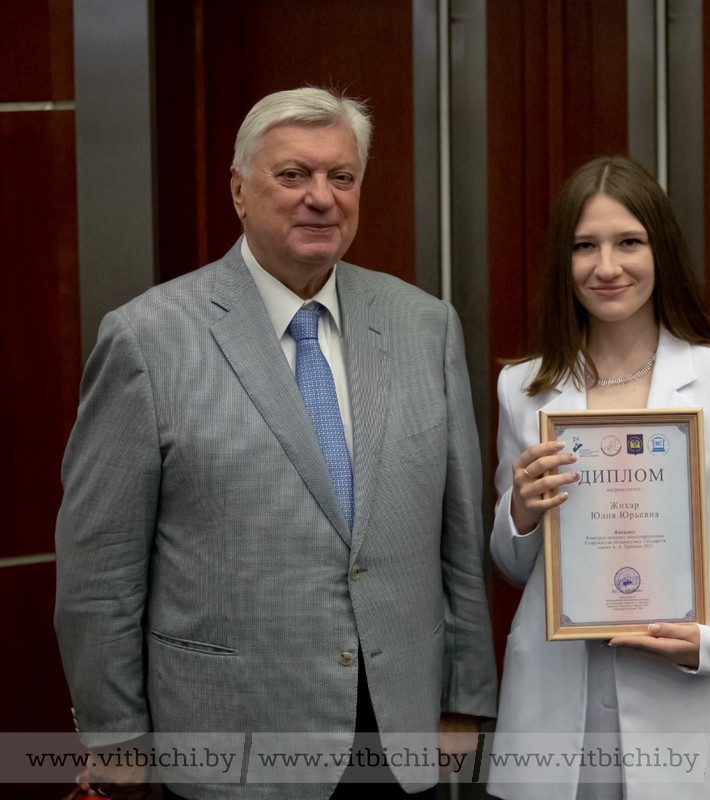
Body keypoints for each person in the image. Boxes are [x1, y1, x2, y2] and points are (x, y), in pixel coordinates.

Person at [54, 87, 497, 800]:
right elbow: (99, 568)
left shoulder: (425, 326)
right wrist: (114, 736)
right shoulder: (148, 338)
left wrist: (465, 694)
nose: (320, 198)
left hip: (397, 732)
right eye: (292, 175)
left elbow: (458, 534)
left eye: (341, 177)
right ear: (238, 190)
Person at [487, 156, 710, 800]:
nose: (607, 266)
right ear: (563, 264)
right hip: (559, 697)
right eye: (585, 246)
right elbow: (512, 565)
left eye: (629, 242)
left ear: (661, 250)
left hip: (685, 689)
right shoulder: (524, 388)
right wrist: (521, 512)